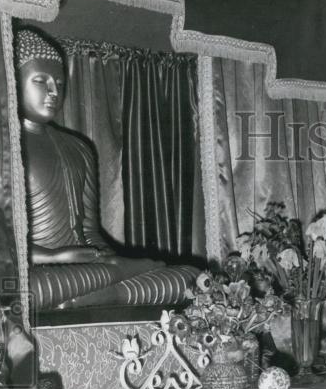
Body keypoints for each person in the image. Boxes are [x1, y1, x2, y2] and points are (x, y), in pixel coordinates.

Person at [15, 27, 198, 311]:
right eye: (41, 81)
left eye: (60, 84)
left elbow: (89, 231)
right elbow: (3, 241)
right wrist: (57, 257)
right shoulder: (5, 148)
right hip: (42, 271)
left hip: (87, 271)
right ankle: (106, 288)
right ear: (14, 81)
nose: (54, 92)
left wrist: (106, 258)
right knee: (26, 290)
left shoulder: (78, 148)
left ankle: (105, 295)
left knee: (190, 278)